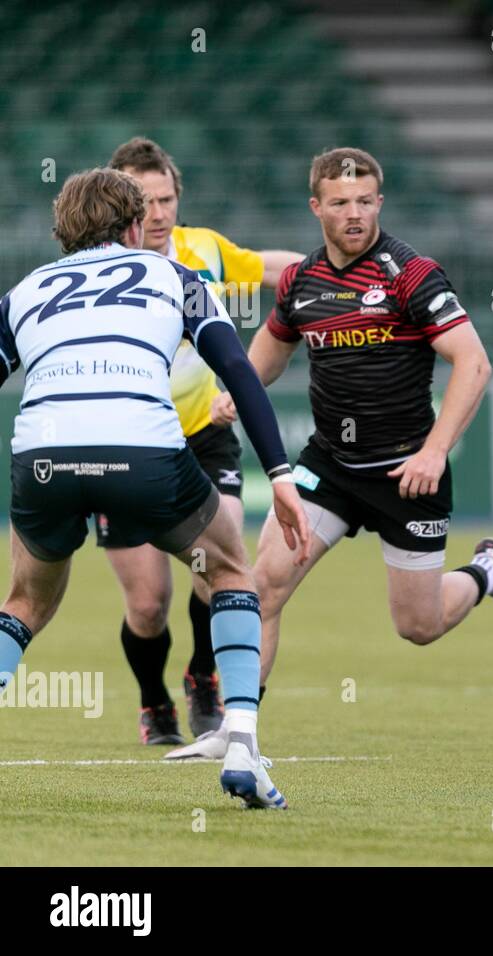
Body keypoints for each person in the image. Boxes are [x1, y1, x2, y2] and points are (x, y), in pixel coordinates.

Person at [166, 147, 493, 762]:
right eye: (340, 203)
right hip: (329, 469)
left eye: (365, 201)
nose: (354, 214)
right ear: (316, 207)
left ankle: (487, 574)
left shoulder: (412, 275)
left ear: (379, 203)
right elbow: (271, 349)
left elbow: (473, 363)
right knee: (262, 588)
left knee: (417, 627)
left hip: (406, 474)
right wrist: (240, 394)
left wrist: (434, 452)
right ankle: (238, 733)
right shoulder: (300, 281)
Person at [0, 168, 311, 807]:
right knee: (229, 573)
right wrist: (279, 474)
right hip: (143, 452)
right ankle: (245, 750)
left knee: (24, 606)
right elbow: (239, 373)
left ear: (63, 232)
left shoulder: (24, 291)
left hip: (44, 459)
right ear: (136, 226)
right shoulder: (176, 276)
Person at [101, 137, 304, 745]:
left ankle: (202, 676)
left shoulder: (204, 252)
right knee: (146, 606)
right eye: (145, 201)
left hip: (204, 437)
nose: (158, 213)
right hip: (125, 446)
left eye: (167, 199)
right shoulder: (100, 268)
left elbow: (283, 270)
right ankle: (152, 701)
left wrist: (348, 282)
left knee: (217, 567)